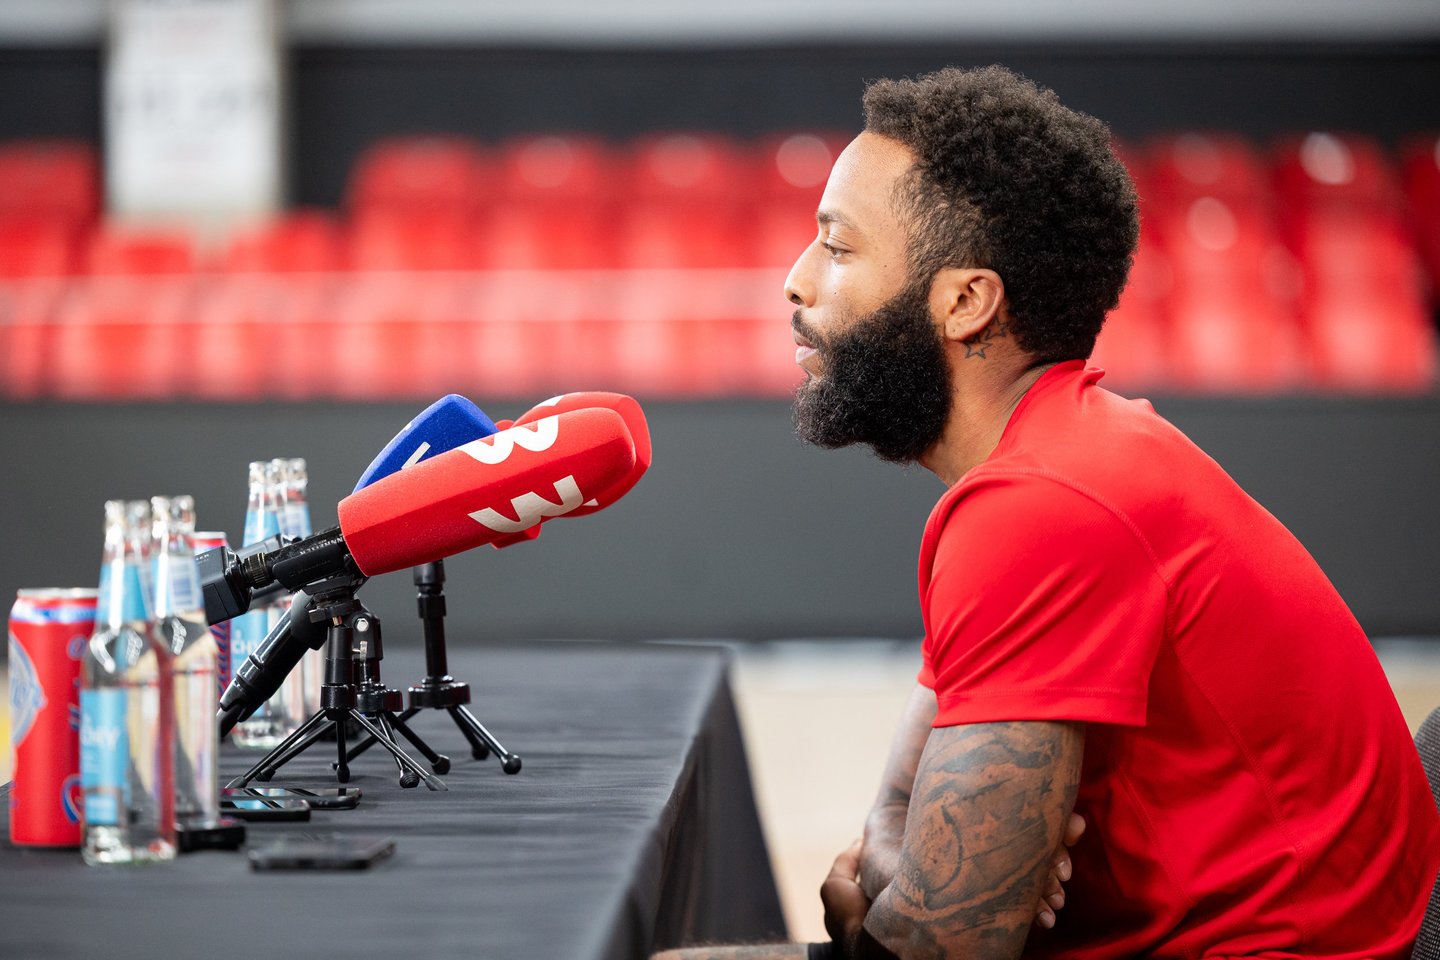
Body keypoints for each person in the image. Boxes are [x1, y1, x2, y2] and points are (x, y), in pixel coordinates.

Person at [654, 65, 1440, 960]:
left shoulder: (1045, 509)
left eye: (837, 249)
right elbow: (899, 818)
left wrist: (909, 891)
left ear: (965, 303)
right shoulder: (1057, 458)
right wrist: (905, 869)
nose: (796, 284)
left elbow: (941, 946)